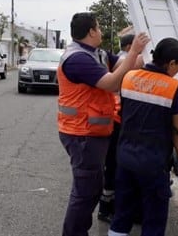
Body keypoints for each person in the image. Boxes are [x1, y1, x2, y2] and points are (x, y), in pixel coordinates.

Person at [57, 12, 149, 236]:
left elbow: (132, 65)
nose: (101, 31)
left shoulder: (97, 53)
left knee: (91, 187)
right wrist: (134, 50)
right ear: (91, 31)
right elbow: (110, 83)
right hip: (82, 134)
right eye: (98, 28)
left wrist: (143, 49)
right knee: (85, 191)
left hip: (94, 132)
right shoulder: (77, 58)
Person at [109, 37, 178, 236]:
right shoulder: (174, 87)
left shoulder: (128, 78)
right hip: (153, 164)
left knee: (122, 215)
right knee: (153, 218)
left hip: (125, 158)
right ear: (171, 63)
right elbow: (176, 129)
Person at [98, 33, 141, 223]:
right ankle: (109, 208)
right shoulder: (125, 61)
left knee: (113, 165)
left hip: (117, 120)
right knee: (116, 165)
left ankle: (108, 207)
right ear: (131, 45)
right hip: (119, 120)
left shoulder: (117, 59)